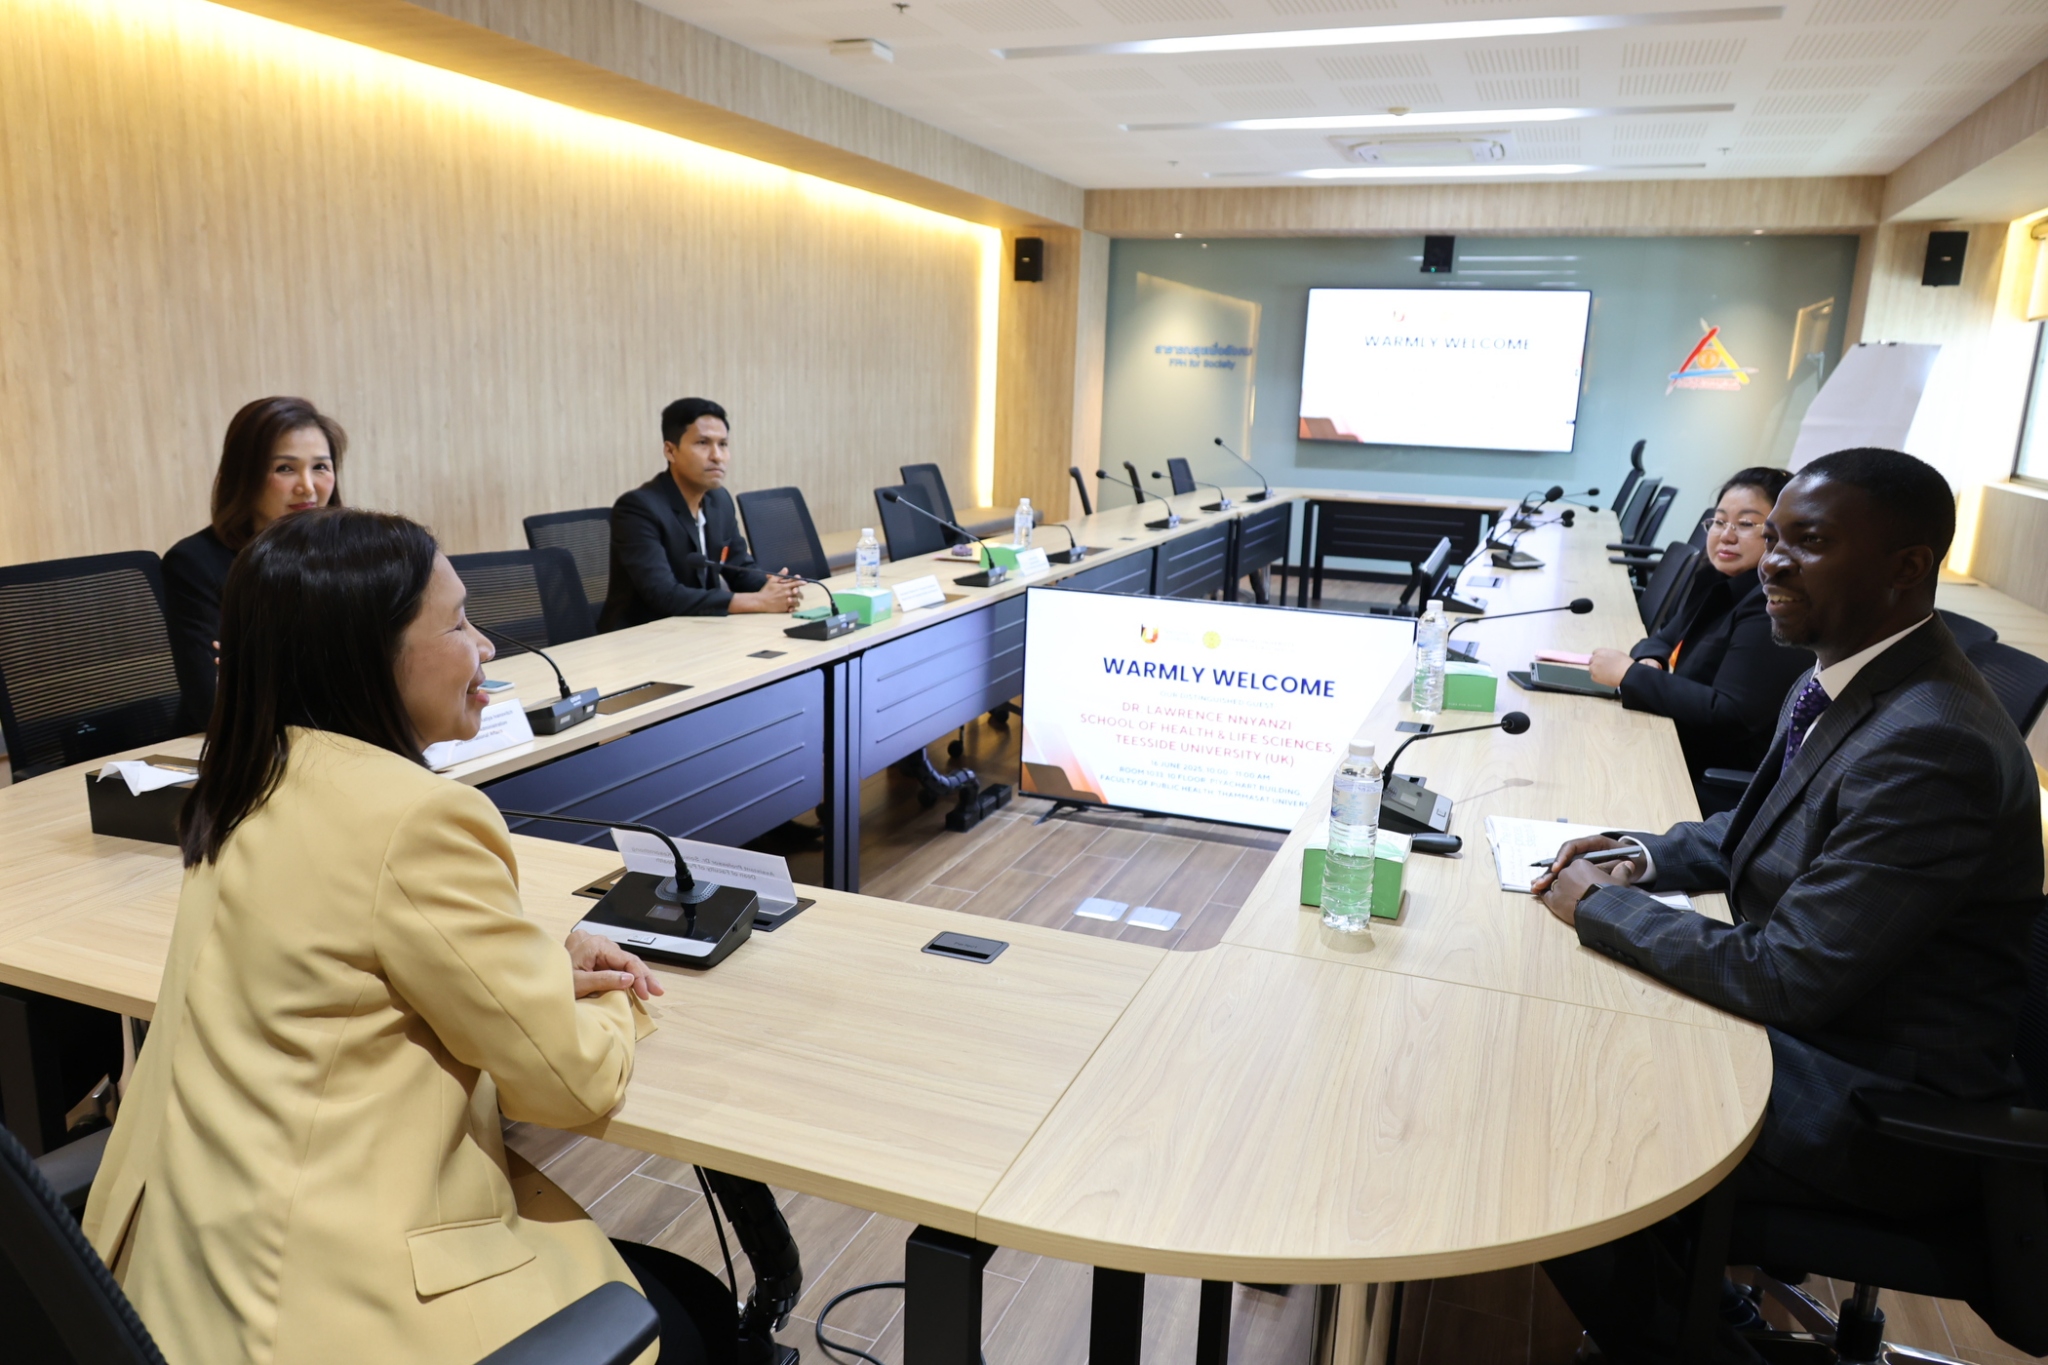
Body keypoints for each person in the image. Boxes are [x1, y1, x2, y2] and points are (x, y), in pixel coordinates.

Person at [85, 508, 735, 1365]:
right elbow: (569, 1083)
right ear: (368, 657)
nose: (486, 645)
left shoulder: (246, 781)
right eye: (459, 622)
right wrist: (618, 1001)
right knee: (698, 1317)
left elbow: (355, 970)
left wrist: (536, 970)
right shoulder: (419, 818)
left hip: (181, 1286)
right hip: (333, 1309)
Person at [1530, 449, 2043, 1364]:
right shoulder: (1846, 678)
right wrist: (1639, 853)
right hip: (1829, 1035)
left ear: (1905, 567)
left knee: (1569, 1121)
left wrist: (1601, 908)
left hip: (1874, 1102)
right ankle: (1700, 1302)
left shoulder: (1934, 740)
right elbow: (1752, 830)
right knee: (1577, 1042)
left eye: (1808, 541)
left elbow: (1789, 976)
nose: (1772, 561)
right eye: (1774, 538)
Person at [1586, 467, 1813, 785]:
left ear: (1783, 533)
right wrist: (1651, 660)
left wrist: (1631, 675)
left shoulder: (1772, 606)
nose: (1726, 535)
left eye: (1746, 524)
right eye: (1719, 521)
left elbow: (1729, 714)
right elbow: (1662, 637)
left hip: (1701, 772)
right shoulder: (1718, 580)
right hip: (1672, 737)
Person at [162, 397, 347, 734]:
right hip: (231, 747)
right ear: (244, 476)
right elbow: (213, 701)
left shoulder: (349, 552)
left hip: (338, 739)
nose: (307, 486)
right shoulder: (195, 564)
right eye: (285, 468)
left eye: (320, 467)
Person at [598, 397, 803, 631]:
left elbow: (739, 568)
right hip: (641, 637)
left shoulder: (719, 500)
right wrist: (757, 601)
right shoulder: (637, 508)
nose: (717, 456)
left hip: (699, 629)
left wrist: (776, 588)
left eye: (723, 444)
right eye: (703, 443)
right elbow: (663, 594)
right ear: (670, 451)